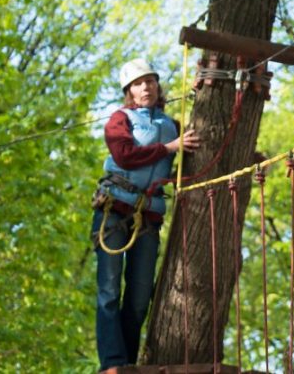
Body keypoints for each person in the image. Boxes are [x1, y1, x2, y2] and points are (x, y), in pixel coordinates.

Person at [91, 59, 199, 371]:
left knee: (139, 298)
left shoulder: (170, 125)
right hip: (113, 212)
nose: (145, 87)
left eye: (150, 81)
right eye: (138, 83)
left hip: (147, 220)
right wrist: (169, 148)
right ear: (129, 91)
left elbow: (181, 167)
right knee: (109, 291)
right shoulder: (119, 119)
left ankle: (127, 362)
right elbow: (124, 155)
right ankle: (113, 363)